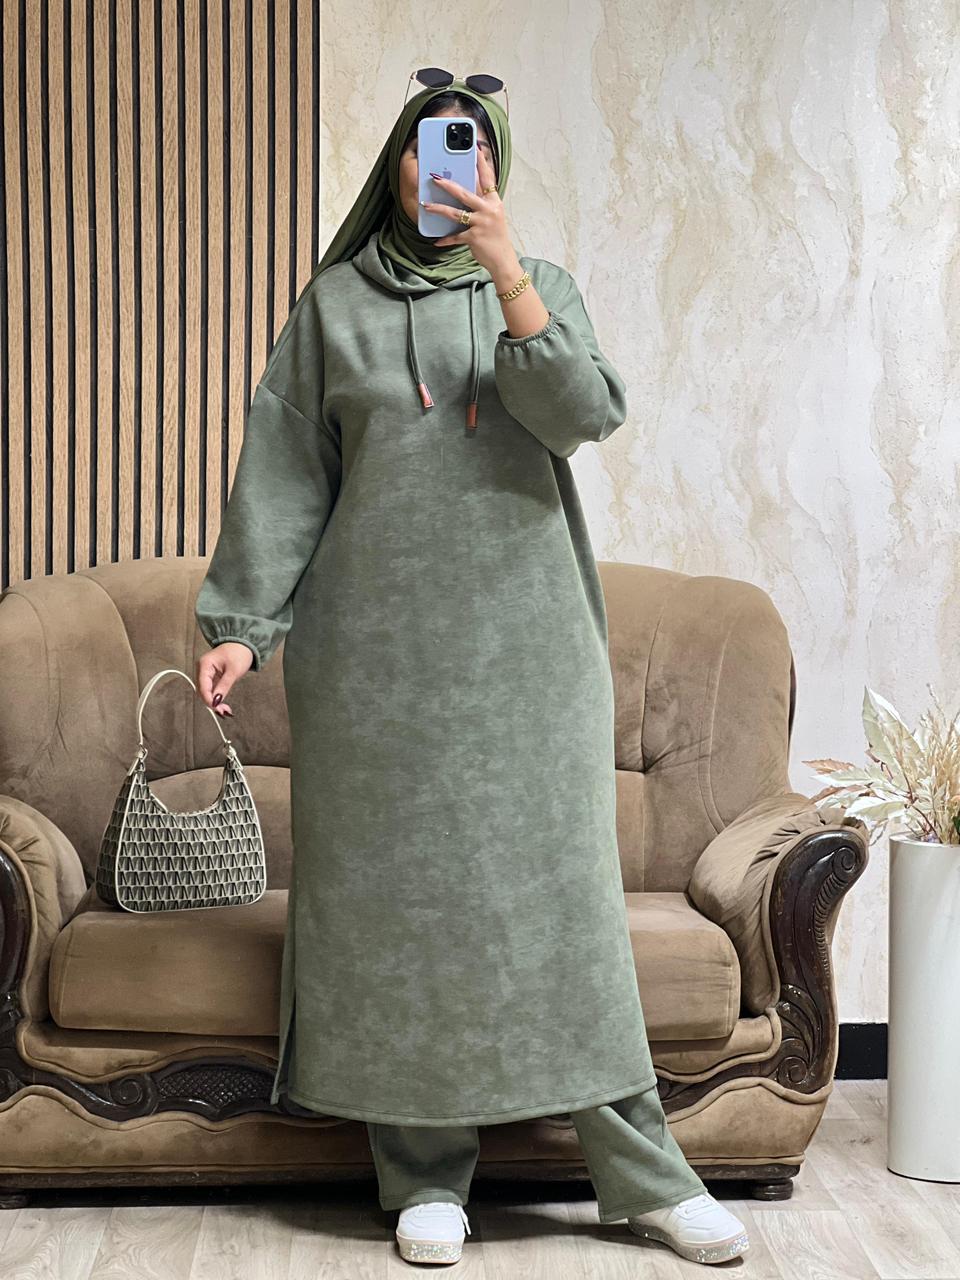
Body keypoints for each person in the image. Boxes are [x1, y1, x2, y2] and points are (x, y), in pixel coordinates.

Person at [194, 75, 749, 1267]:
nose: (450, 169)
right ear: (396, 167)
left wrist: (504, 273)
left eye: (472, 149)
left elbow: (580, 412)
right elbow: (286, 469)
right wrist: (243, 622)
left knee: (564, 917)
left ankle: (646, 1175)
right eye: (429, 147)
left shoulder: (538, 284)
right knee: (398, 914)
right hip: (373, 678)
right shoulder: (334, 306)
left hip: (532, 668)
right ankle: (424, 1174)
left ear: (494, 168)